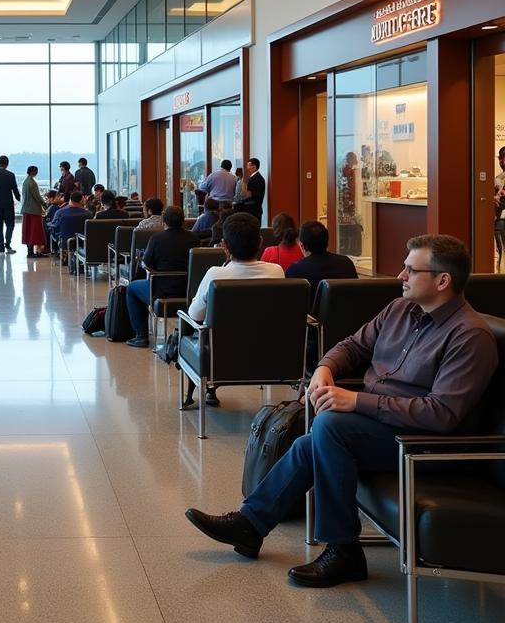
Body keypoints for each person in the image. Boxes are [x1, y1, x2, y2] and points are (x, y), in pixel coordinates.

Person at [186, 234, 498, 588]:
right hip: (386, 424)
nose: (400, 276)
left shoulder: (469, 336)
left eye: (411, 270)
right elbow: (352, 345)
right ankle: (251, 524)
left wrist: (356, 401)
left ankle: (344, 549)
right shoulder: (400, 310)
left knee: (330, 427)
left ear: (443, 281)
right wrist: (324, 369)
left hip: (425, 443)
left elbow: (441, 414)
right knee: (312, 442)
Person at [185, 213, 285, 407]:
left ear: (224, 245)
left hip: (220, 356)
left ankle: (198, 392)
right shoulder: (277, 271)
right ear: (260, 243)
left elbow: (194, 315)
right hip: (269, 355)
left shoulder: (215, 274)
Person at [125, 206, 199, 348]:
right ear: (183, 221)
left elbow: (146, 264)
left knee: (131, 288)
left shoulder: (157, 238)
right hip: (188, 290)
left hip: (161, 291)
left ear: (164, 221)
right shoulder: (193, 238)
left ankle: (141, 335)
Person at [286, 220, 358, 301]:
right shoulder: (347, 264)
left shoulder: (295, 270)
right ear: (327, 240)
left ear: (302, 246)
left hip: (310, 314)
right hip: (347, 313)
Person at [0, 155, 21, 254]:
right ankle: (8, 243)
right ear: (7, 164)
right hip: (8, 204)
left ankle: (1, 246)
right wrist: (19, 199)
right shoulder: (11, 175)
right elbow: (15, 189)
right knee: (10, 225)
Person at [50, 191, 91, 259]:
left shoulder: (60, 212)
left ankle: (60, 254)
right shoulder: (88, 214)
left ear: (70, 200)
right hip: (82, 242)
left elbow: (55, 226)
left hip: (65, 242)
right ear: (81, 201)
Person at [20, 165, 49, 258]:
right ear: (33, 171)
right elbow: (37, 196)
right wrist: (45, 204)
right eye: (36, 171)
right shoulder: (32, 183)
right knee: (35, 232)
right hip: (33, 210)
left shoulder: (25, 182)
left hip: (26, 209)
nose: (37, 173)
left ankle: (30, 251)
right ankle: (35, 252)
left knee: (28, 231)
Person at [494, 146, 505, 270]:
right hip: (500, 219)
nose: (502, 162)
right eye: (500, 159)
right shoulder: (498, 178)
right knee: (502, 251)